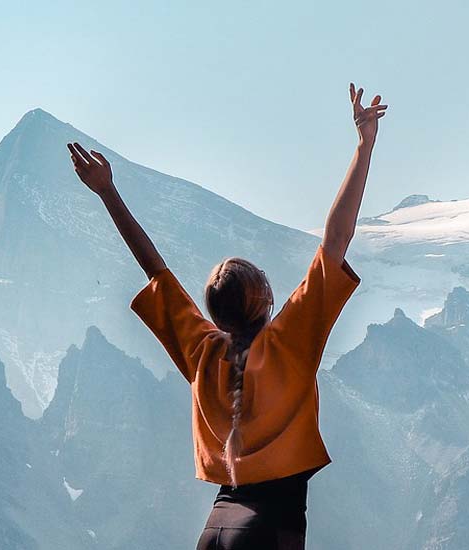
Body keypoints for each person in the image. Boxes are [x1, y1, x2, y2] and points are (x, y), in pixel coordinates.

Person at [67, 83, 387, 550]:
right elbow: (336, 239)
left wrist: (108, 192)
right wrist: (364, 145)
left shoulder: (203, 351)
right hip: (267, 532)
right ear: (264, 298)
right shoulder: (289, 343)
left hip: (215, 530)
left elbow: (154, 268)